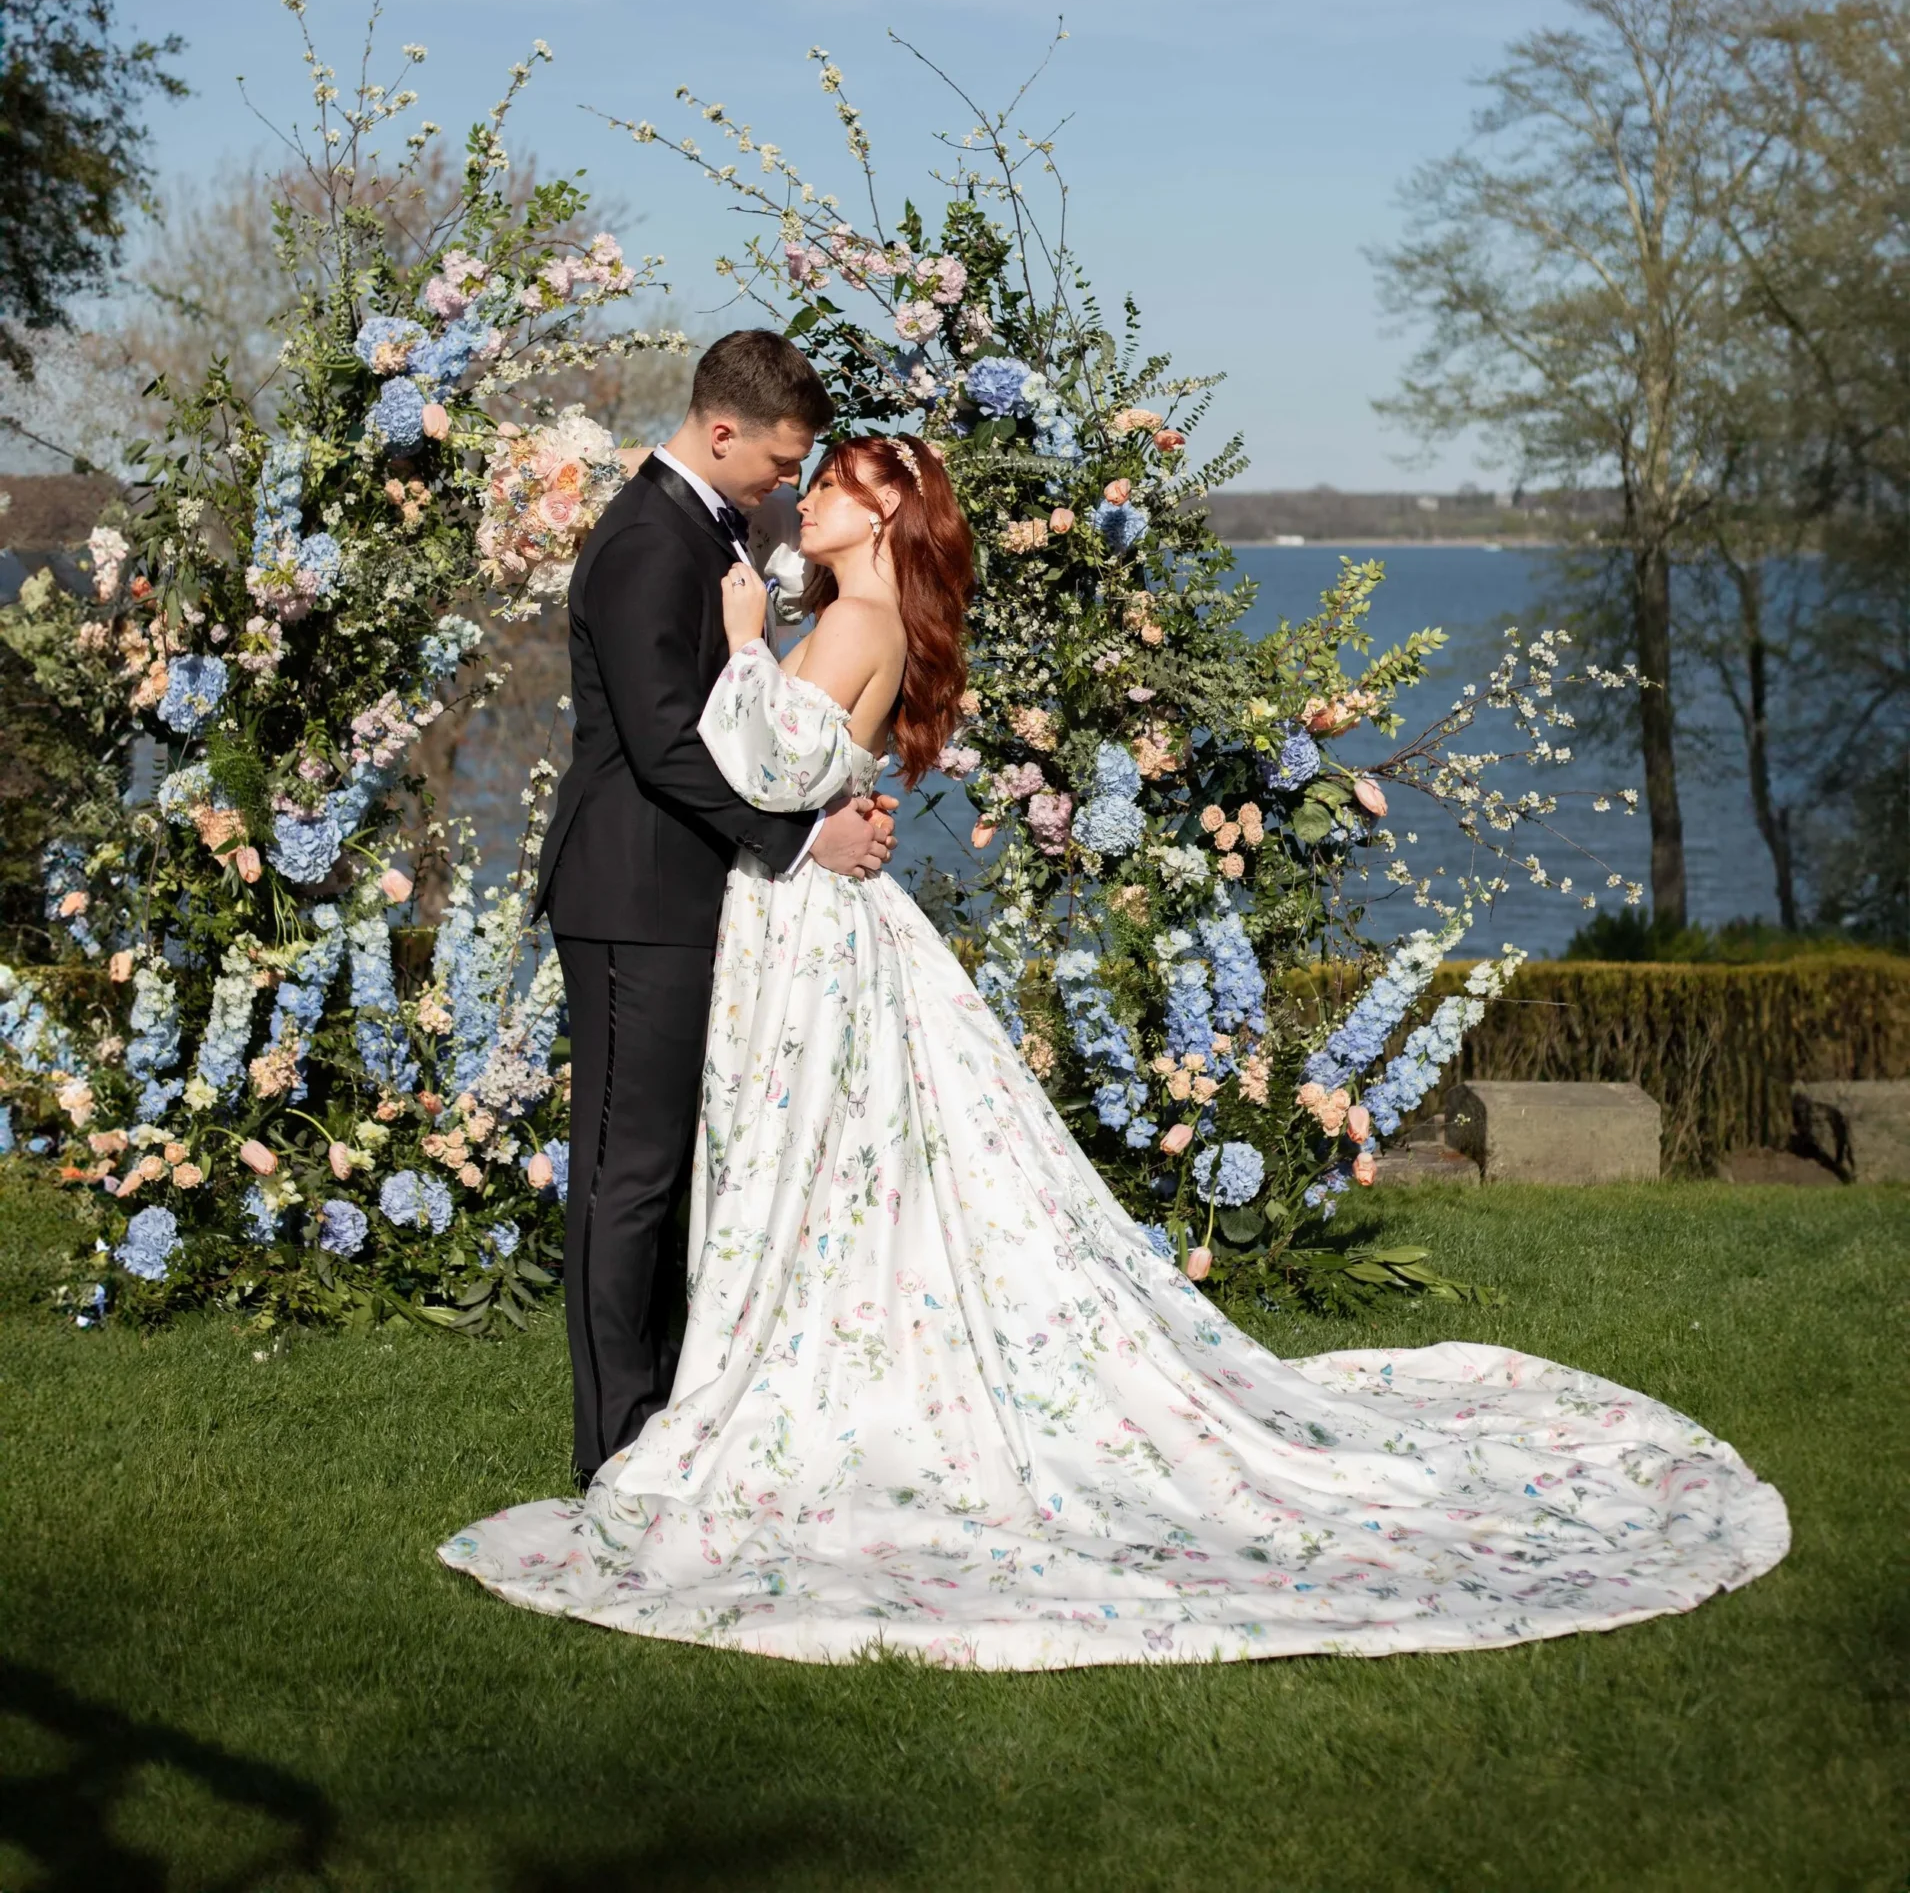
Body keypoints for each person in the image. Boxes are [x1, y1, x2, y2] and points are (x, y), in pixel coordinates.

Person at [447, 433, 1789, 1668]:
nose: (821, 494)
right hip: (807, 917)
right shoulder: (848, 615)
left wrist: (739, 643)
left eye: (851, 481)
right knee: (824, 1163)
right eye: (826, 473)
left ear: (892, 513)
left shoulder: (850, 617)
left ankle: (796, 1384)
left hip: (807, 927)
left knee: (814, 1155)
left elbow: (756, 766)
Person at [532, 331, 898, 1487]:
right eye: (781, 464)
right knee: (626, 1172)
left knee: (681, 1170)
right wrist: (804, 836)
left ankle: (674, 1417)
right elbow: (660, 749)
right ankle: (615, 1447)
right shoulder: (647, 539)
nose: (787, 486)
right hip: (632, 894)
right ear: (721, 429)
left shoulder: (714, 528)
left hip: (692, 891)